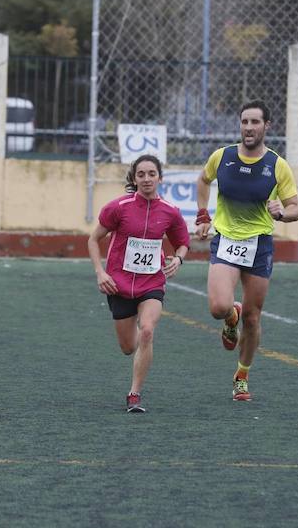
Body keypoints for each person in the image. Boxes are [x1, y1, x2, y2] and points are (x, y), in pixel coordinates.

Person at [195, 100, 298, 401]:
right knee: (218, 307)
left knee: (253, 319)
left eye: (255, 122)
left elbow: (296, 209)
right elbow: (203, 181)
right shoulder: (223, 157)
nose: (249, 128)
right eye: (244, 122)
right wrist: (203, 214)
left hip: (259, 246)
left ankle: (242, 375)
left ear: (267, 126)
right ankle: (231, 319)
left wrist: (281, 212)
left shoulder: (277, 166)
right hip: (226, 240)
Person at [87, 154, 190, 412]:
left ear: (160, 178)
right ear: (134, 178)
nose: (146, 179)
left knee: (147, 330)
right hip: (119, 285)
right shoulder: (118, 207)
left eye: (151, 174)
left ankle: (134, 394)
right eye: (141, 174)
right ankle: (135, 345)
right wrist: (101, 272)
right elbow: (93, 239)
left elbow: (183, 243)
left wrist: (178, 259)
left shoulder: (170, 212)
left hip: (151, 283)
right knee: (127, 347)